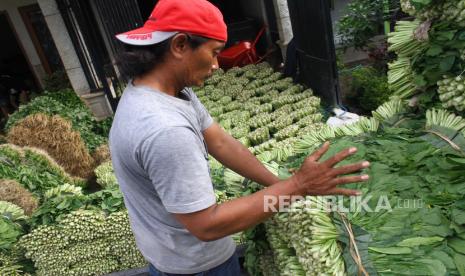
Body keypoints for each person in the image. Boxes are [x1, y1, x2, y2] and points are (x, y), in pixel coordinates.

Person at [109, 0, 370, 275]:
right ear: (180, 45)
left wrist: (281, 184)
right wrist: (298, 185)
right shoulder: (165, 130)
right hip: (196, 268)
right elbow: (207, 225)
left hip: (176, 255)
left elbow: (221, 142)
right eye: (214, 52)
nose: (217, 65)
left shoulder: (166, 90)